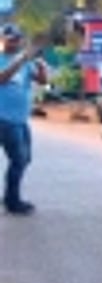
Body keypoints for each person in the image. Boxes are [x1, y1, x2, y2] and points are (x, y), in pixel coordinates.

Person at [0, 24, 49, 214]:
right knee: (19, 159)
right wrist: (20, 60)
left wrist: (41, 66)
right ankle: (12, 201)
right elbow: (2, 78)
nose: (15, 43)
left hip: (20, 119)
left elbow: (42, 81)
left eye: (17, 39)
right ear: (2, 40)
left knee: (24, 158)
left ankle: (9, 196)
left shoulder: (25, 62)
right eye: (11, 39)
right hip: (4, 119)